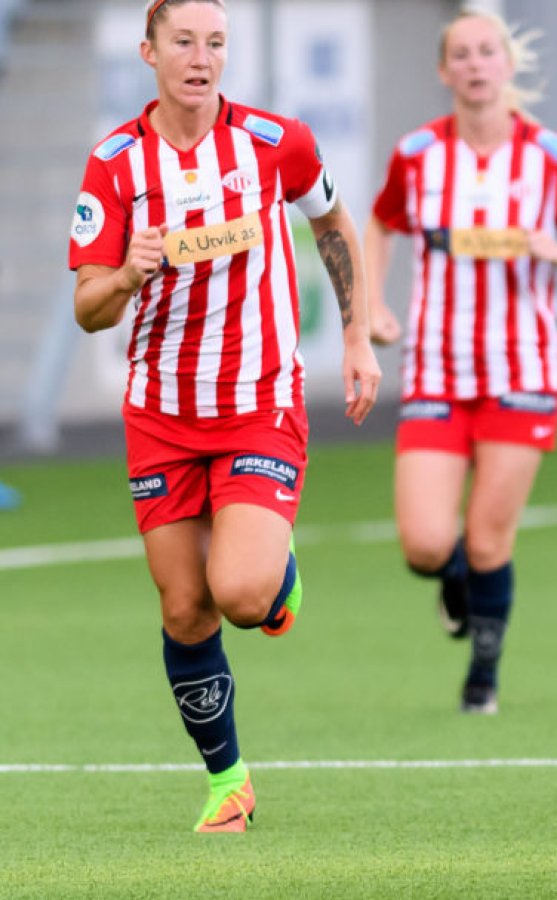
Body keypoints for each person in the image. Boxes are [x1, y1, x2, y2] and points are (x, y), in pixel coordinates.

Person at [68, 0, 381, 832]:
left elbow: (333, 222)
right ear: (149, 52)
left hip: (257, 401)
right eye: (184, 42)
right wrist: (127, 276)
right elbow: (87, 309)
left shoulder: (278, 144)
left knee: (239, 594)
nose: (201, 58)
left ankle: (272, 572)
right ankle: (228, 784)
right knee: (183, 608)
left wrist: (356, 334)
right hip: (161, 412)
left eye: (215, 42)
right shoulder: (115, 166)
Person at [363, 8, 557, 715]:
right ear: (444, 71)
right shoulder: (417, 154)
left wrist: (555, 249)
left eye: (486, 52)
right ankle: (452, 581)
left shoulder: (550, 156)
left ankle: (483, 677)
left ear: (507, 65)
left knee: (488, 534)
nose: (475, 65)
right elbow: (380, 222)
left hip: (520, 371)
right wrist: (373, 308)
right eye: (461, 55)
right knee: (423, 543)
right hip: (436, 368)